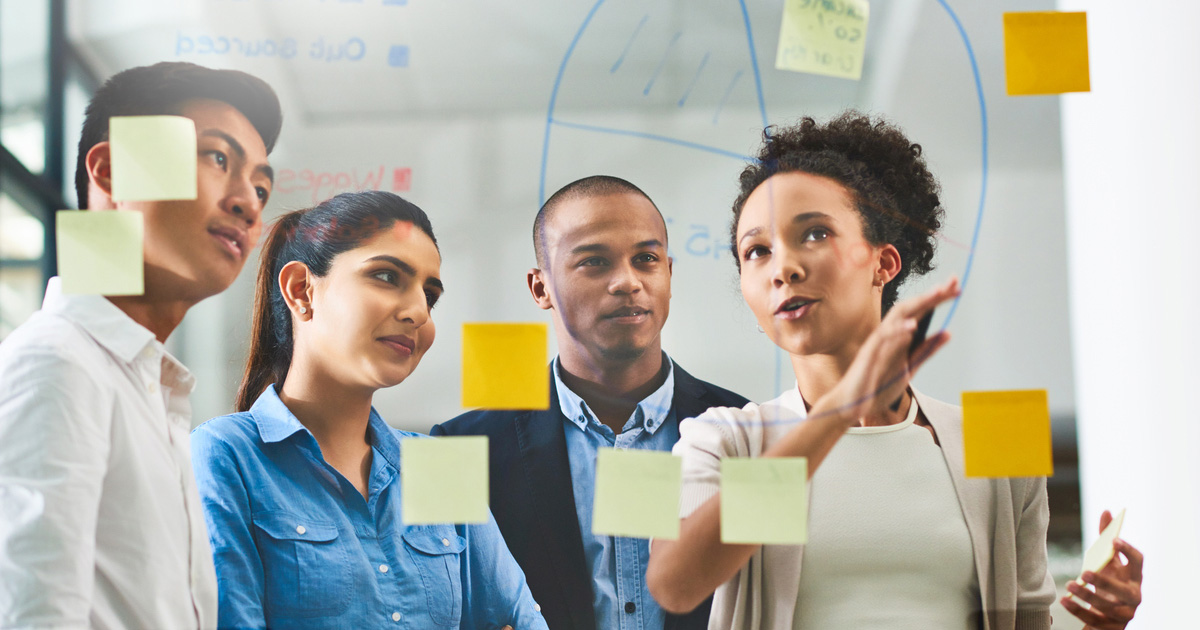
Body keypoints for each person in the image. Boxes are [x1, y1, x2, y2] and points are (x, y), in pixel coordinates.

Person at [646, 113, 1143, 630]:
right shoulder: (723, 440)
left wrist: (1098, 625)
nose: (783, 268)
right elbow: (675, 584)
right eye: (757, 251)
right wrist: (837, 413)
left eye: (814, 233)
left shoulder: (995, 448)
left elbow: (1028, 622)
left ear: (884, 263)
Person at [0, 62, 280, 629]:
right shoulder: (59, 363)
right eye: (218, 158)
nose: (248, 203)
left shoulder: (152, 390)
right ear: (111, 172)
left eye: (260, 186)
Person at [190, 191, 547, 629]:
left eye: (430, 296)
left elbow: (522, 622)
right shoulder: (226, 454)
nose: (418, 311)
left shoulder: (438, 467)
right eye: (385, 275)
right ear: (301, 290)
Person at [432, 176, 749, 630]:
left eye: (646, 259)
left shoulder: (752, 434)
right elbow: (428, 607)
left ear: (669, 274)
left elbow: (782, 592)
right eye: (595, 262)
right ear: (540, 288)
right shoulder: (452, 447)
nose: (628, 281)